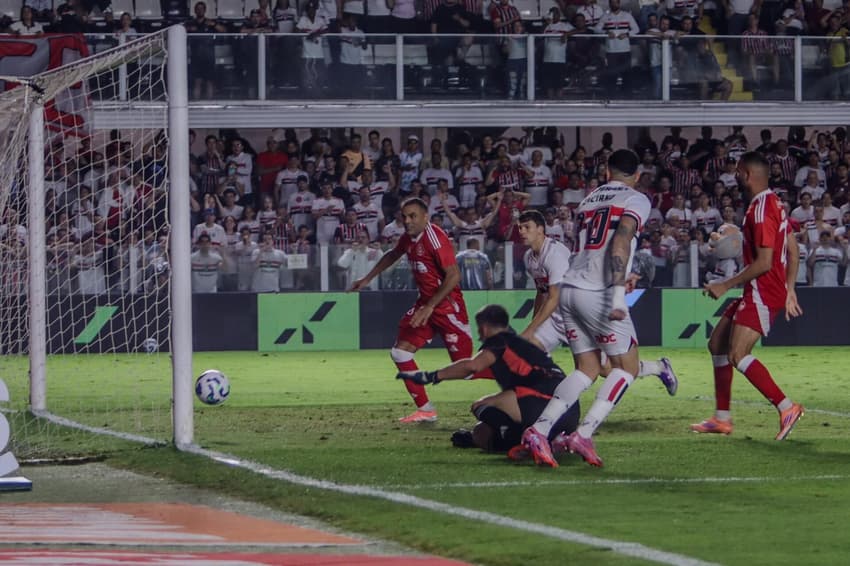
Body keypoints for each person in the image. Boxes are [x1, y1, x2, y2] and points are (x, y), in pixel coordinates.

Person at [519, 149, 653, 468]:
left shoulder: (588, 200)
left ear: (607, 172)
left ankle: (539, 430)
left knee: (587, 369)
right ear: (637, 176)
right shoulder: (636, 199)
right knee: (627, 368)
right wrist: (618, 295)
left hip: (569, 289)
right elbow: (620, 241)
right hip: (598, 291)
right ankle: (584, 434)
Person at [692, 152, 805, 440]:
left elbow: (765, 263)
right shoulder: (774, 203)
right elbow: (793, 251)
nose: (735, 176)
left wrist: (725, 284)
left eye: (738, 172)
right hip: (764, 289)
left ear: (746, 174)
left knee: (737, 354)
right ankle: (722, 419)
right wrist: (790, 289)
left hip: (762, 290)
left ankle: (787, 407)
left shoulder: (760, 210)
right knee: (717, 344)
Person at [518, 209, 678, 391]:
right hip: (557, 319)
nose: (522, 231)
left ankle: (658, 367)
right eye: (520, 227)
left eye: (527, 227)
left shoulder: (554, 254)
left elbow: (554, 297)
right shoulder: (529, 258)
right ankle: (536, 395)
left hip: (577, 315)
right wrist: (534, 325)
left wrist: (530, 330)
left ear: (540, 229)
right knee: (528, 350)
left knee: (606, 369)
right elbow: (542, 293)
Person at [348, 198, 473, 423]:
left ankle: (523, 376)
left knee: (467, 370)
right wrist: (367, 278)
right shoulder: (408, 237)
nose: (407, 221)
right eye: (404, 216)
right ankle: (426, 410)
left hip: (447, 308)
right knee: (400, 353)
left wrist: (430, 306)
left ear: (425, 217)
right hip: (425, 305)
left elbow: (454, 275)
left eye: (412, 216)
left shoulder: (435, 238)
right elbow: (393, 254)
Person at [397, 304, 580, 453]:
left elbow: (472, 366)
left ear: (483, 328)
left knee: (481, 406)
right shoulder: (523, 345)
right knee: (480, 431)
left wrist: (432, 376)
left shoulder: (499, 341)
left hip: (541, 400)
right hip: (570, 412)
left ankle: (526, 440)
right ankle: (550, 439)